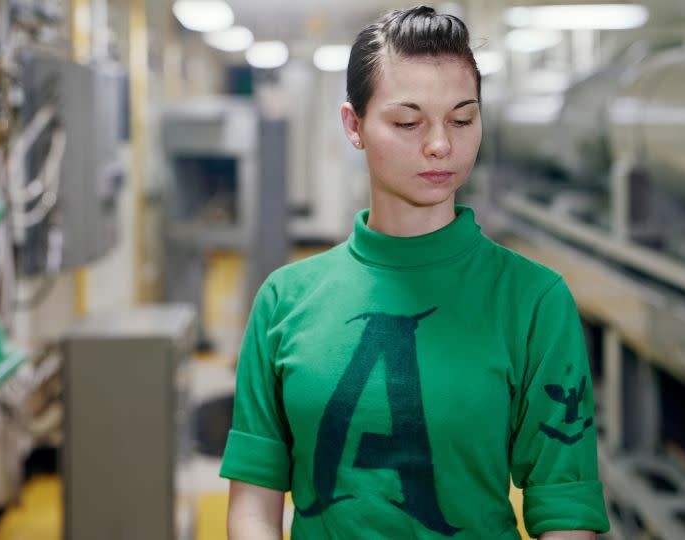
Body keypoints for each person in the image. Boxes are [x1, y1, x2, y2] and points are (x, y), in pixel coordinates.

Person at [221, 5, 610, 539]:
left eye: (462, 119)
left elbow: (565, 509)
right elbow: (253, 502)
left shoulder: (532, 299)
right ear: (353, 125)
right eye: (408, 122)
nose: (440, 146)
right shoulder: (286, 300)